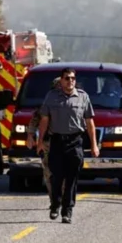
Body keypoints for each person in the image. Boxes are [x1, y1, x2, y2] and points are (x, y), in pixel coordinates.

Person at [36, 68, 99, 224]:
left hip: (75, 142)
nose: (70, 81)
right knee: (56, 176)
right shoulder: (51, 97)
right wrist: (40, 141)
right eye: (67, 78)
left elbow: (90, 123)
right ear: (61, 81)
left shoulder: (83, 97)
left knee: (71, 179)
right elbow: (44, 120)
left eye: (72, 78)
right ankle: (55, 205)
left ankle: (67, 211)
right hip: (56, 141)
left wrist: (94, 145)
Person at [26, 76, 63, 198]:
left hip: (66, 143)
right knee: (48, 172)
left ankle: (63, 198)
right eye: (56, 88)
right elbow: (34, 121)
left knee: (65, 173)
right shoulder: (45, 106)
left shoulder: (73, 104)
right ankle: (54, 199)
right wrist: (30, 136)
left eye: (61, 87)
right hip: (49, 143)